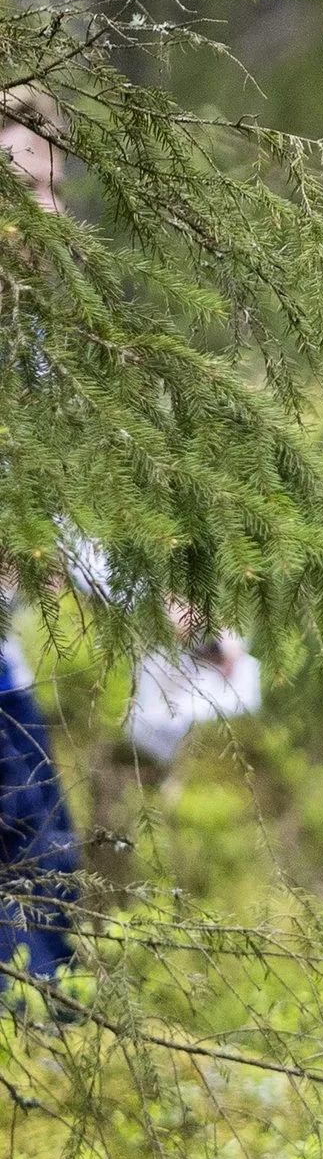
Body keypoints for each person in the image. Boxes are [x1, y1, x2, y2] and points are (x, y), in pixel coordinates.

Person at [1, 89, 84, 996]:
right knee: (35, 859)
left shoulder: (31, 334)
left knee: (46, 855)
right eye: (28, 190)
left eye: (56, 187)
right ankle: (36, 1031)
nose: (50, 213)